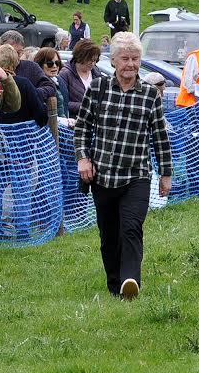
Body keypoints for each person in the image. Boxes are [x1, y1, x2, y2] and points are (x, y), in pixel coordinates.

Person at [74, 32, 172, 300]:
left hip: (136, 175)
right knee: (109, 234)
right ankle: (114, 283)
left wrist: (165, 174)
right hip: (103, 175)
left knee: (131, 227)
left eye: (136, 59)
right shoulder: (98, 88)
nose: (131, 64)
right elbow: (83, 126)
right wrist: (83, 158)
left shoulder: (150, 95)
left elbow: (159, 136)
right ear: (114, 61)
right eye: (125, 59)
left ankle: (131, 281)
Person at [0, 44, 47, 127]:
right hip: (22, 134)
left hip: (1, 134)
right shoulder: (24, 83)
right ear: (16, 62)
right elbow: (40, 113)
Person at [58, 39, 102, 118]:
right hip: (74, 121)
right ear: (80, 56)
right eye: (90, 60)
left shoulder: (96, 72)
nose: (93, 63)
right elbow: (62, 103)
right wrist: (86, 106)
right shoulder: (65, 74)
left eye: (95, 60)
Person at [34, 47, 70, 120]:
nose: (54, 66)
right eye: (49, 63)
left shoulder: (59, 80)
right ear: (40, 64)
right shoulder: (38, 84)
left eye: (57, 63)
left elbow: (65, 107)